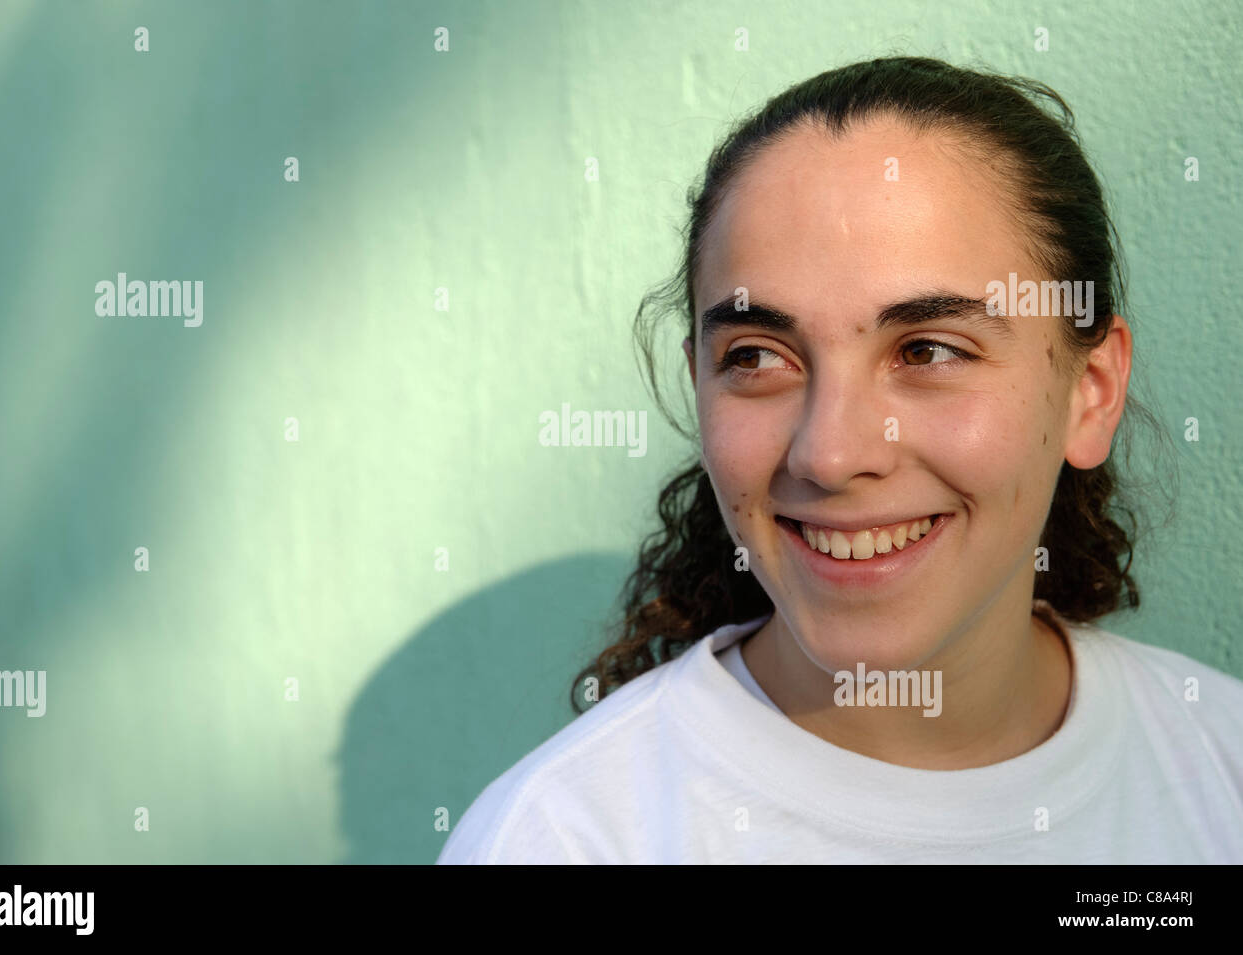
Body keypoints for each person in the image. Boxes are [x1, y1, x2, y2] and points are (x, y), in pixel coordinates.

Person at [436, 56, 1243, 864]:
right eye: (756, 358)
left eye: (927, 348)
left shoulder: (1220, 769)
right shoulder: (565, 840)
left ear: (1090, 392)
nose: (830, 453)